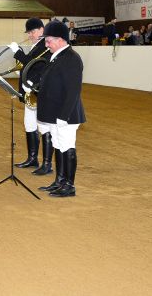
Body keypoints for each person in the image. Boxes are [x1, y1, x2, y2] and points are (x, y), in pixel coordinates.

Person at [34, 21, 86, 198]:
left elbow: (73, 91)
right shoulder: (55, 56)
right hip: (54, 113)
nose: (46, 44)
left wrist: (64, 116)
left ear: (61, 40)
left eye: (49, 41)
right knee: (58, 145)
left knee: (67, 146)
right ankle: (59, 180)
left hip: (66, 114)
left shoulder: (72, 58)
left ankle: (69, 185)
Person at [7, 17, 51, 171]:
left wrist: (18, 52)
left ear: (41, 30)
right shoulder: (36, 46)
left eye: (33, 31)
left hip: (40, 92)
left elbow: (33, 63)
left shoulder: (45, 46)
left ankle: (47, 163)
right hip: (30, 94)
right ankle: (32, 158)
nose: (30, 35)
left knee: (44, 127)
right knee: (30, 124)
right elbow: (30, 65)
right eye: (29, 32)